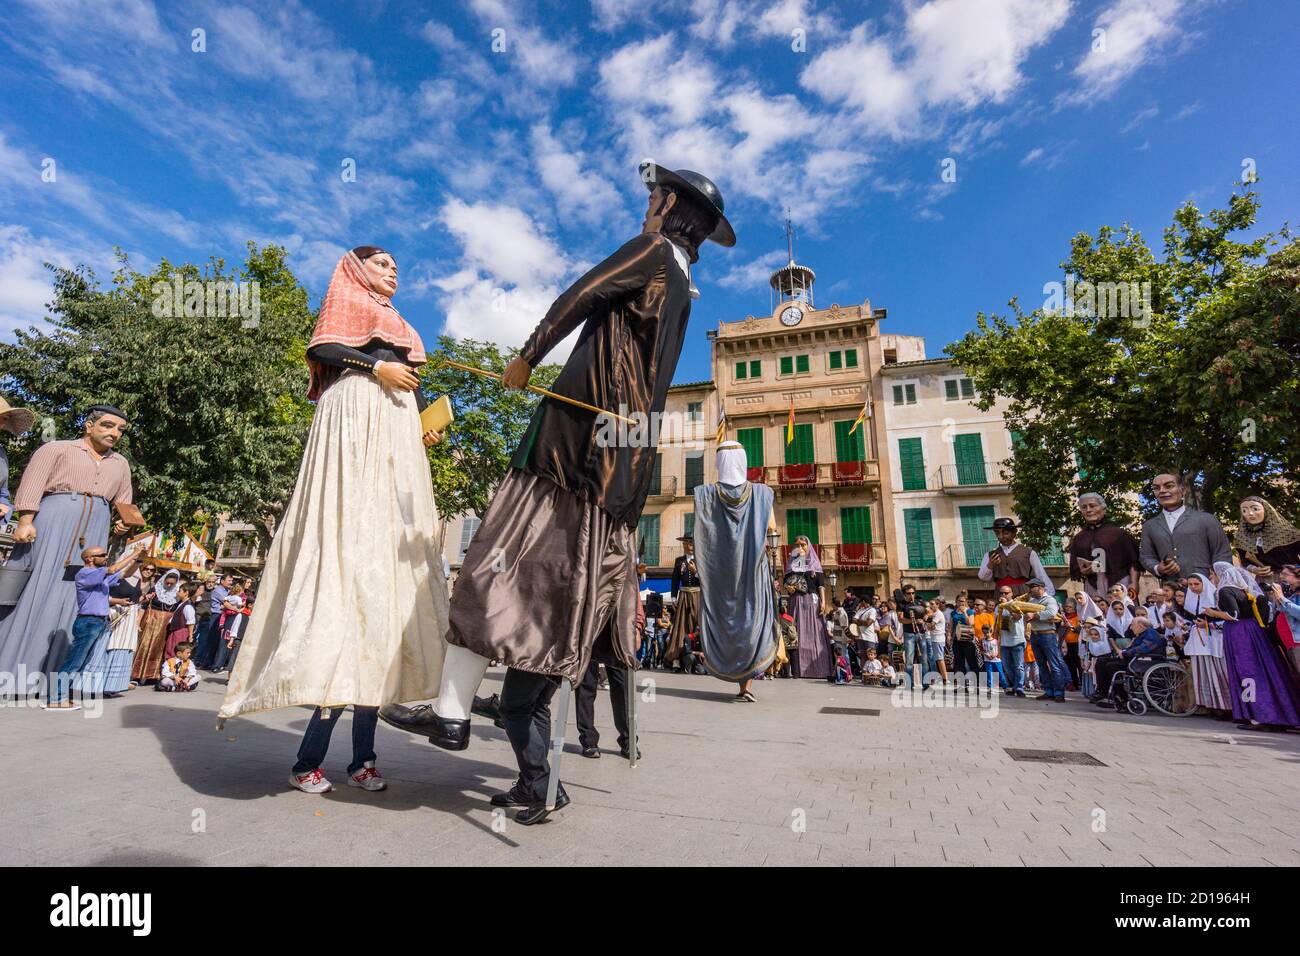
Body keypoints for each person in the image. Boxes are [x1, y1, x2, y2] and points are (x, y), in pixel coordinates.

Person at [379, 164, 735, 823]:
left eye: (656, 196)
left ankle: (455, 715)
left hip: (570, 451)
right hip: (620, 470)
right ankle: (525, 772)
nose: (647, 204)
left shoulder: (653, 252)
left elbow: (584, 292)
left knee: (491, 567)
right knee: (553, 604)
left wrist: (528, 352)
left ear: (674, 209)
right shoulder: (685, 282)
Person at [218, 245, 450, 797]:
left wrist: (420, 430)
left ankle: (363, 759)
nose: (393, 269)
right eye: (382, 262)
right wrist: (377, 366)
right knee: (345, 612)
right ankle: (307, 761)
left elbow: (400, 379)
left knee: (380, 621)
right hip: (357, 406)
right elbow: (322, 345)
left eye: (398, 264)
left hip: (394, 417)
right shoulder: (346, 302)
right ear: (356, 269)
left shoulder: (399, 321)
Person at [0, 405, 134, 697]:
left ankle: (56, 682)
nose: (114, 433)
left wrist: (121, 525)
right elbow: (32, 484)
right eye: (108, 426)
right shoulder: (57, 449)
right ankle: (12, 674)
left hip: (96, 529)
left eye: (120, 430)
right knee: (38, 590)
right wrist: (25, 520)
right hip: (54, 521)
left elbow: (124, 503)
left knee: (78, 600)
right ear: (89, 425)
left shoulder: (121, 464)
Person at [692, 441, 778, 702]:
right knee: (751, 622)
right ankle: (746, 686)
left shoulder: (705, 494)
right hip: (753, 573)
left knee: (725, 620)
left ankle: (738, 680)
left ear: (719, 463)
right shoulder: (762, 493)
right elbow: (771, 528)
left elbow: (702, 537)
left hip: (719, 576)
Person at [46, 544, 143, 709]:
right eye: (102, 555)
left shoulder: (100, 575)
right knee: (73, 662)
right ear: (89, 559)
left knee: (83, 662)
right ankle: (55, 698)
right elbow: (112, 570)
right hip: (88, 622)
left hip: (99, 622)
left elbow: (125, 574)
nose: (105, 557)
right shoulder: (84, 573)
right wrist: (134, 552)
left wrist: (137, 560)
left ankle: (63, 695)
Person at [1208, 562, 1300, 731]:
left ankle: (1263, 716)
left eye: (1213, 574)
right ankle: (1273, 715)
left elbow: (1233, 615)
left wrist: (1212, 613)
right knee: (1263, 672)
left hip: (1241, 635)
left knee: (1249, 673)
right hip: (1253, 632)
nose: (1212, 578)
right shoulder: (1245, 591)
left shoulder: (1225, 590)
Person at [1139, 472, 1231, 582]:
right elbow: (1146, 556)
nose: (1162, 491)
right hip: (1170, 589)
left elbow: (1222, 552)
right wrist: (1157, 568)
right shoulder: (1149, 526)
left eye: (1169, 486)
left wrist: (1219, 576)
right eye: (1156, 488)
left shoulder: (1207, 520)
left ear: (1183, 490)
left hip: (1205, 586)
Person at [1176, 573, 1231, 716]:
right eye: (1190, 585)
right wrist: (1187, 626)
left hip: (1214, 640)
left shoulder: (1215, 597)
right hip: (1198, 642)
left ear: (1204, 584)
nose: (1193, 588)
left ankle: (1227, 707)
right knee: (1204, 674)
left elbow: (1226, 620)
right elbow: (1191, 619)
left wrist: (1208, 625)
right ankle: (1212, 706)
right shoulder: (1190, 601)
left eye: (1196, 584)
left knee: (1218, 673)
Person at [1067, 493, 1140, 600]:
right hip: (1093, 584)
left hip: (1119, 582)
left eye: (1092, 506)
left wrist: (1134, 583)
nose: (1088, 510)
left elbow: (1133, 561)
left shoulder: (1118, 534)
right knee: (1097, 614)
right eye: (1084, 507)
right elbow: (1076, 567)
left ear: (1103, 509)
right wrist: (1083, 571)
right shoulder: (1079, 538)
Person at [1093, 615, 1167, 709]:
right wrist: (1124, 652)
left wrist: (1126, 653)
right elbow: (1133, 648)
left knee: (1112, 666)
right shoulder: (1140, 635)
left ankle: (1122, 697)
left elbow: (1143, 649)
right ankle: (1103, 692)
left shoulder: (1151, 634)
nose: (1131, 628)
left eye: (1132, 625)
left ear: (1140, 626)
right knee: (1101, 661)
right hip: (1136, 658)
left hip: (1145, 661)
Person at [785, 536, 830, 678]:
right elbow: (786, 582)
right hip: (796, 601)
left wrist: (823, 602)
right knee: (796, 633)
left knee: (815, 633)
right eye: (797, 545)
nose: (800, 547)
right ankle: (798, 670)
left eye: (803, 544)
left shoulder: (815, 565)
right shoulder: (791, 564)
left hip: (812, 601)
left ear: (808, 546)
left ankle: (817, 669)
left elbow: (821, 585)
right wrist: (788, 587)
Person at [132, 570, 183, 685]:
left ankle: (153, 675)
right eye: (167, 582)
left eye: (172, 584)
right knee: (145, 646)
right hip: (151, 621)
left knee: (159, 649)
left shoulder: (178, 593)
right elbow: (144, 605)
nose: (169, 585)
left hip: (165, 625)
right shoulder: (155, 589)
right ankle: (137, 674)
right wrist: (138, 622)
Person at [977, 517, 1053, 593]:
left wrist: (1049, 596)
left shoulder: (1029, 553)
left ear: (1014, 532)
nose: (1001, 536)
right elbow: (983, 577)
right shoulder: (990, 555)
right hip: (1001, 596)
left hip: (1023, 595)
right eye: (997, 533)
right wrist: (990, 565)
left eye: (1005, 533)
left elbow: (1041, 575)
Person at [1234, 496, 1300, 582]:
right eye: (1244, 510)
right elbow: (1244, 560)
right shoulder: (1243, 536)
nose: (1250, 513)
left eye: (1255, 509)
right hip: (1264, 580)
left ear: (1266, 510)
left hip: (1291, 578)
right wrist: (1253, 569)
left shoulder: (1288, 533)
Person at [1024, 578, 1069, 702]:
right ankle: (1048, 691)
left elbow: (1051, 613)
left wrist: (1035, 615)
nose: (1030, 590)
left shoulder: (1050, 600)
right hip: (1035, 635)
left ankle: (1059, 693)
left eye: (1032, 587)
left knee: (1054, 665)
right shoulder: (1032, 601)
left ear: (1040, 587)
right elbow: (1026, 615)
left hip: (1047, 635)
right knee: (1041, 665)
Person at [100, 573, 144, 696]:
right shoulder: (115, 577)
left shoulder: (138, 579)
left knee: (125, 647)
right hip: (117, 614)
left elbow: (136, 600)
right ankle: (103, 684)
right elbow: (103, 596)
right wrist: (118, 602)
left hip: (130, 616)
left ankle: (116, 684)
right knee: (112, 645)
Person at [663, 535, 701, 671]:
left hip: (697, 594)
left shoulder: (701, 559)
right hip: (683, 595)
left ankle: (698, 660)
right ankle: (677, 659)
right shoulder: (679, 561)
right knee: (680, 626)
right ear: (684, 545)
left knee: (697, 624)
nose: (689, 546)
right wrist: (673, 598)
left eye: (692, 542)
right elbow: (675, 580)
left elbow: (707, 579)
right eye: (687, 543)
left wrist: (696, 572)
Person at [0, 396, 36, 523]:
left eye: (4, 419)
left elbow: (3, 492)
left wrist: (5, 508)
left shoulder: (1, 453)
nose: (1, 422)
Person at [993, 584, 1027, 697]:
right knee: (1007, 667)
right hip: (1004, 640)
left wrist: (1006, 605)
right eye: (1001, 593)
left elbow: (1017, 617)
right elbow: (997, 623)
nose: (1003, 595)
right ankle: (1013, 686)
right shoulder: (998, 607)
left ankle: (1020, 687)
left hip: (1017, 639)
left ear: (1011, 593)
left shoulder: (1017, 604)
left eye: (1006, 593)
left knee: (1019, 666)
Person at [196, 573, 233, 669]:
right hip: (215, 616)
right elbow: (227, 603)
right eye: (229, 580)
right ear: (222, 581)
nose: (231, 582)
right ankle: (205, 662)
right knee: (210, 640)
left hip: (222, 616)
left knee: (217, 640)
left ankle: (211, 662)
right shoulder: (218, 591)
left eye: (231, 581)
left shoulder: (228, 590)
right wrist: (236, 609)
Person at [896, 584, 928, 687]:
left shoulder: (920, 602)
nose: (911, 595)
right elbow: (900, 619)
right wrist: (912, 621)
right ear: (905, 594)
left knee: (924, 659)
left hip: (921, 633)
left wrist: (926, 617)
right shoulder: (901, 604)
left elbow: (928, 612)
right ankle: (909, 683)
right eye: (908, 593)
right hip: (909, 633)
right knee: (909, 660)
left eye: (913, 593)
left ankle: (925, 683)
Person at [163, 582, 198, 659]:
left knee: (176, 652)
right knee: (170, 649)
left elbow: (191, 622)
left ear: (186, 593)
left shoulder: (188, 606)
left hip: (181, 632)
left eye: (180, 591)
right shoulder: (182, 603)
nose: (178, 592)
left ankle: (174, 668)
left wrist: (190, 635)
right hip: (176, 631)